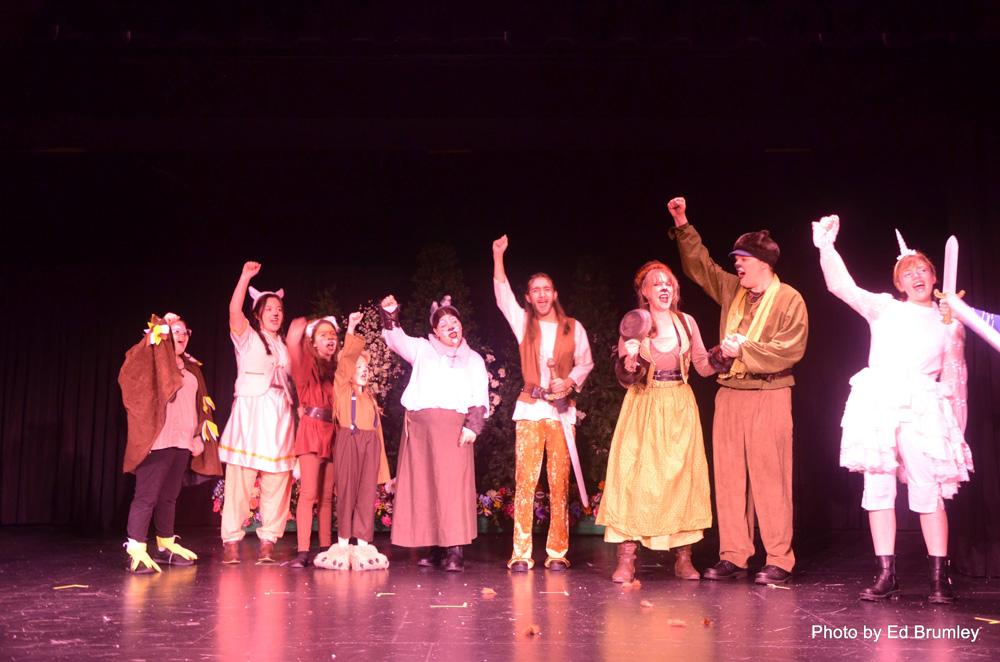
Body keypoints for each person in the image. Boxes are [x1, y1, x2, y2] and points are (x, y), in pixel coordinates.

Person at [814, 215, 971, 603]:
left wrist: (956, 434)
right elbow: (842, 287)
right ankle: (887, 575)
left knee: (928, 489)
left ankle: (939, 579)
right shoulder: (884, 308)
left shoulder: (950, 323)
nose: (916, 276)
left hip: (923, 407)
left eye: (922, 270)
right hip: (880, 402)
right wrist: (826, 247)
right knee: (879, 488)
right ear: (899, 284)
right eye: (908, 272)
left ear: (934, 278)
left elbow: (957, 381)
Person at [668, 196, 808, 585]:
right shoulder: (734, 290)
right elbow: (701, 266)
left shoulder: (789, 298)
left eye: (743, 259)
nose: (737, 265)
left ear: (763, 262)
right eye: (736, 260)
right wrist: (682, 224)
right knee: (729, 477)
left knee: (770, 477)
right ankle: (734, 553)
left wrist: (744, 348)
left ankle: (779, 557)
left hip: (769, 393)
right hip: (730, 392)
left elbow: (791, 349)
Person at [597, 261, 716, 582]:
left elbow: (703, 365)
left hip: (679, 405)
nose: (664, 287)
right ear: (645, 292)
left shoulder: (686, 323)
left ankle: (684, 557)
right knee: (633, 478)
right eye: (657, 283)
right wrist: (630, 361)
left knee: (682, 479)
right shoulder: (636, 323)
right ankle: (626, 558)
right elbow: (625, 379)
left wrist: (726, 354)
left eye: (669, 283)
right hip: (644, 405)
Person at [491, 234, 594, 571]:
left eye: (546, 289)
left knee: (558, 482)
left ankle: (557, 551)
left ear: (555, 293)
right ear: (528, 297)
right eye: (535, 290)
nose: (541, 294)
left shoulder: (572, 327)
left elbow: (585, 362)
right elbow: (502, 295)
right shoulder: (524, 323)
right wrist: (498, 256)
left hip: (561, 412)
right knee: (525, 481)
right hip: (531, 408)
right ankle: (521, 552)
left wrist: (569, 381)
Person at [380, 294, 489, 571]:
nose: (451, 327)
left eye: (455, 322)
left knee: (452, 488)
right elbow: (396, 339)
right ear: (435, 332)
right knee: (426, 487)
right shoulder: (422, 349)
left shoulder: (473, 359)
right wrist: (390, 313)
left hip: (452, 430)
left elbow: (480, 395)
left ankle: (454, 549)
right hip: (420, 431)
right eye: (444, 325)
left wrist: (473, 426)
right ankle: (434, 546)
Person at [118, 313, 222, 573]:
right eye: (175, 331)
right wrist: (161, 324)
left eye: (185, 332)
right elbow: (131, 365)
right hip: (158, 440)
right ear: (164, 334)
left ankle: (165, 546)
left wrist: (199, 435)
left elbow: (202, 403)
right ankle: (136, 549)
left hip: (182, 441)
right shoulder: (152, 360)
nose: (181, 336)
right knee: (146, 497)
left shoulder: (192, 368)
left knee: (169, 497)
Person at [218, 261, 296, 564]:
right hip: (252, 410)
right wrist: (244, 277)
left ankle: (268, 540)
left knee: (278, 478)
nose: (275, 313)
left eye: (279, 309)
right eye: (269, 309)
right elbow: (233, 311)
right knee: (240, 476)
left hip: (279, 413)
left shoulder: (284, 346)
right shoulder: (247, 337)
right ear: (258, 313)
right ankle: (231, 540)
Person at [313, 311, 392, 571]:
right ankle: (344, 541)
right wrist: (351, 328)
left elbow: (378, 434)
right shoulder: (342, 389)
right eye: (359, 368)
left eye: (366, 368)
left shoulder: (370, 399)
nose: (363, 372)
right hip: (349, 441)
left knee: (366, 493)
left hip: (370, 446)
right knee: (347, 491)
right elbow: (345, 361)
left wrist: (384, 471)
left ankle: (362, 544)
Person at [285, 315, 340, 568]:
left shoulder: (338, 370)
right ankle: (303, 551)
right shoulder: (306, 366)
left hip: (333, 431)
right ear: (314, 342)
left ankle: (325, 548)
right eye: (323, 335)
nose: (330, 338)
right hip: (311, 430)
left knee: (327, 496)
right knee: (309, 493)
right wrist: (297, 332)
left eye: (333, 335)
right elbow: (293, 348)